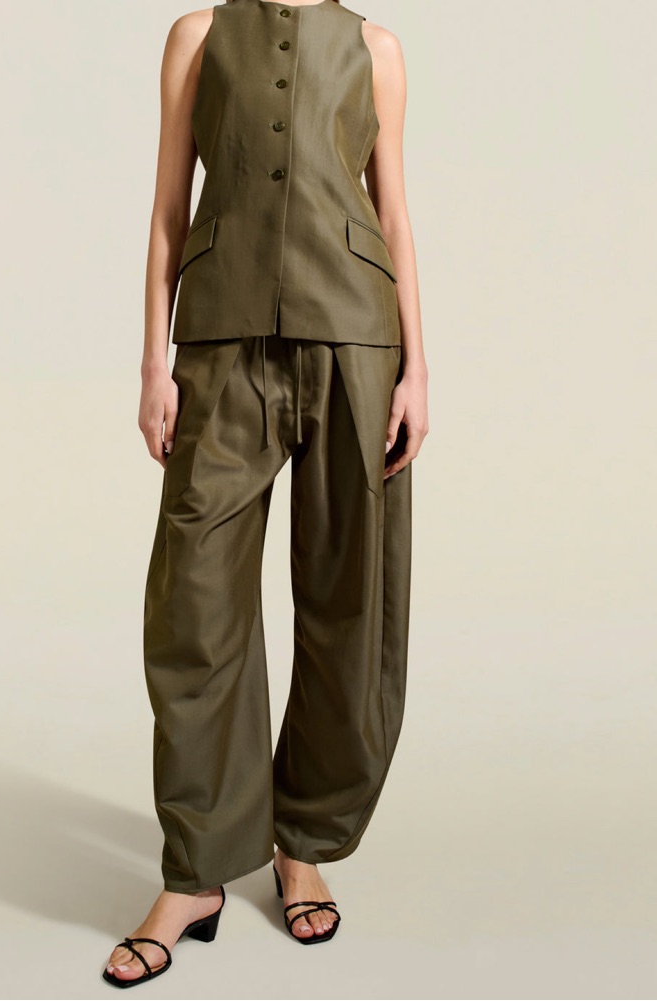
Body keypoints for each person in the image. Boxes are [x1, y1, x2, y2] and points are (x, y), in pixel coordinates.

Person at [103, 0, 428, 988]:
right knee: (195, 605)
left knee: (347, 600)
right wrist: (153, 363)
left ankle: (303, 841)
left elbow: (393, 211)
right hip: (218, 341)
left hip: (355, 339)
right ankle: (196, 870)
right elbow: (167, 206)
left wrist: (418, 370)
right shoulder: (197, 36)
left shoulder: (376, 48)